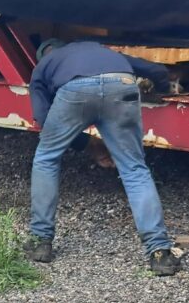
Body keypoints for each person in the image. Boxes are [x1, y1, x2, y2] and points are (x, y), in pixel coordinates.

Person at [24, 39, 180, 276]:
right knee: (134, 168)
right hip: (122, 85)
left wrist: (83, 143)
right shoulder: (101, 51)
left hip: (74, 92)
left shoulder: (43, 67)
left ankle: (40, 241)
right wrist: (162, 88)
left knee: (46, 158)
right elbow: (156, 70)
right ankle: (159, 252)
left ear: (44, 55)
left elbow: (44, 122)